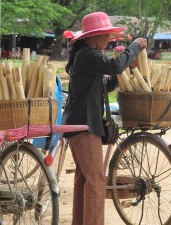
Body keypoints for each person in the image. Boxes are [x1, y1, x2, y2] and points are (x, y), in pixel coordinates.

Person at [62, 12, 147, 225]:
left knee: (84, 180)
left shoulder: (85, 57)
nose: (108, 41)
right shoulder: (88, 55)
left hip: (78, 123)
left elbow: (105, 84)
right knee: (97, 181)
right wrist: (134, 46)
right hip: (83, 126)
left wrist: (125, 69)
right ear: (94, 37)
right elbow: (114, 66)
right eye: (106, 37)